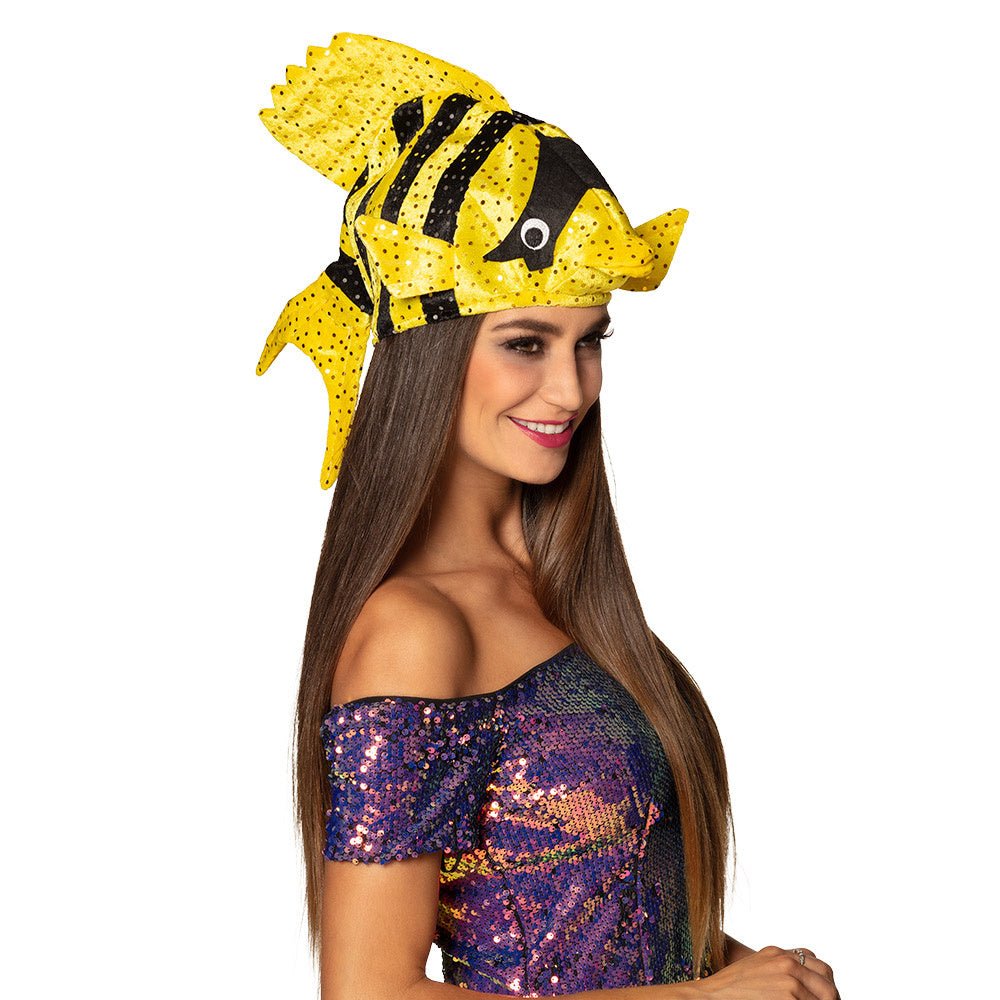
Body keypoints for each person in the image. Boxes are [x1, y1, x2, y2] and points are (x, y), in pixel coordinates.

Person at [256, 31, 841, 1000]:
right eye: (526, 342)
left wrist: (740, 964)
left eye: (589, 341)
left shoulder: (560, 584)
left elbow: (598, 900)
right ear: (431, 351)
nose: (570, 389)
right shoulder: (414, 629)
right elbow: (369, 992)